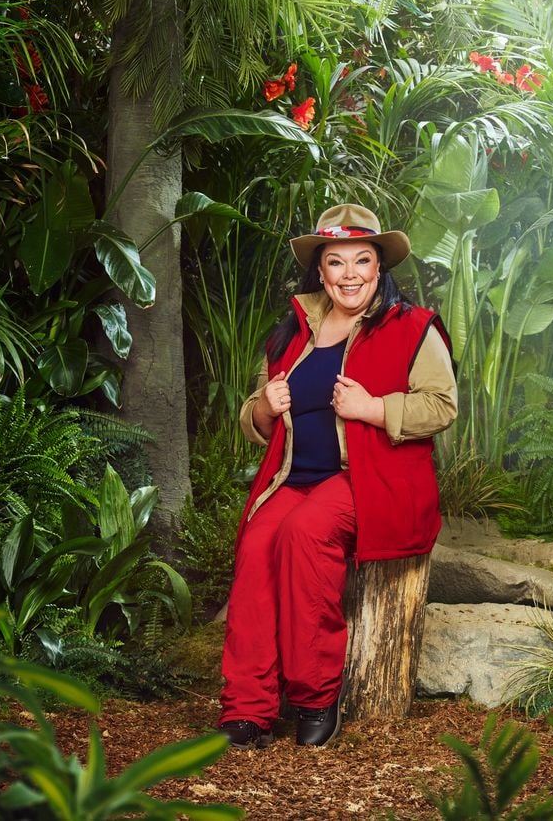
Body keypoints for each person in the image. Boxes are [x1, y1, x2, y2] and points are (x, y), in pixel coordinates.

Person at [217, 203, 457, 749]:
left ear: (379, 268)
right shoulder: (293, 331)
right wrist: (263, 407)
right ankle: (248, 708)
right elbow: (256, 415)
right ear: (319, 271)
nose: (349, 275)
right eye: (336, 262)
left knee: (306, 534)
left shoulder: (413, 327)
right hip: (291, 478)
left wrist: (374, 409)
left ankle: (314, 697)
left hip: (365, 482)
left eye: (362, 260)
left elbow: (441, 406)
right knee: (256, 545)